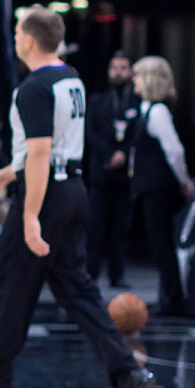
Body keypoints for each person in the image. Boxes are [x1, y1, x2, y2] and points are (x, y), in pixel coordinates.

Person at [0, 8, 155, 388]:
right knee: (75, 288)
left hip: (46, 196)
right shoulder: (70, 79)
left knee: (11, 292)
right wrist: (6, 174)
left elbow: (41, 155)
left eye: (17, 32)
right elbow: (52, 150)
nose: (15, 38)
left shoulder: (34, 87)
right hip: (72, 189)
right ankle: (128, 372)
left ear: (28, 39)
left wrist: (29, 217)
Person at [129, 56, 195, 319]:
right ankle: (169, 296)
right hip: (148, 186)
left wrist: (184, 180)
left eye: (138, 76)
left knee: (162, 245)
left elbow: (174, 151)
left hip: (158, 188)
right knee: (158, 244)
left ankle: (173, 299)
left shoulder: (158, 112)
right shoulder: (146, 109)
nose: (134, 81)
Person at [84, 54, 138, 286]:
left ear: (131, 72)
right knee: (95, 225)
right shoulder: (97, 100)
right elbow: (89, 132)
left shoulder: (136, 101)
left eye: (123, 68)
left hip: (125, 175)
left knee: (121, 227)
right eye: (114, 68)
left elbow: (138, 133)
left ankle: (117, 274)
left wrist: (124, 153)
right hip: (101, 171)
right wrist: (108, 155)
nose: (117, 72)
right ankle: (91, 272)